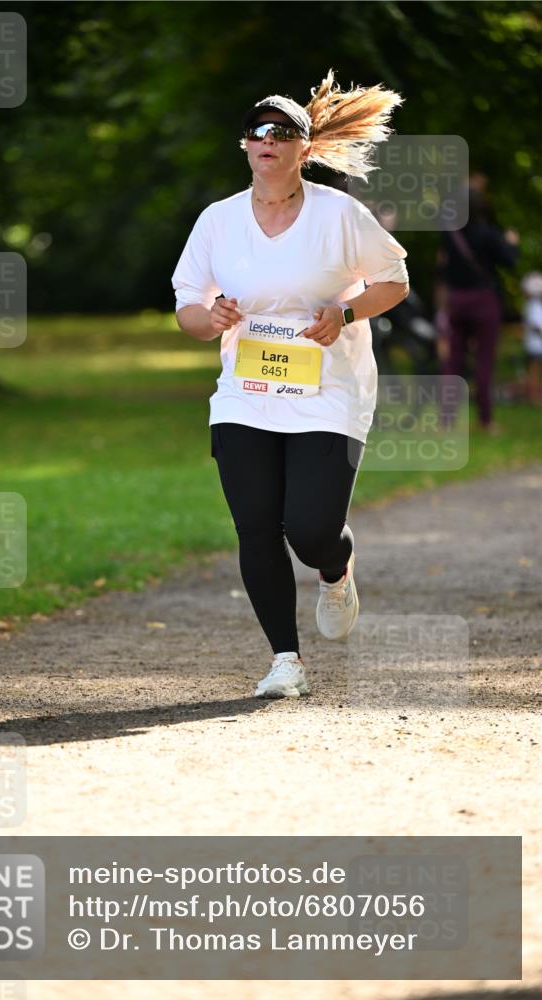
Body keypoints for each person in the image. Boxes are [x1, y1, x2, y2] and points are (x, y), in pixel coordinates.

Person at [171, 70, 409, 699]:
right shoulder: (218, 222)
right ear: (245, 146)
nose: (267, 140)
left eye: (281, 132)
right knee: (255, 524)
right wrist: (211, 317)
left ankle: (336, 569)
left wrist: (347, 312)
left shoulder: (340, 215)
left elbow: (394, 281)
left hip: (329, 391)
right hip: (245, 391)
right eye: (257, 132)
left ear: (305, 148)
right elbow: (188, 308)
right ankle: (286, 661)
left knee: (309, 528)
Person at [436, 187, 519, 434]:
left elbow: (443, 269)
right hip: (484, 300)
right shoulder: (489, 234)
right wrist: (513, 244)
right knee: (484, 361)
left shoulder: (450, 235)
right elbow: (510, 261)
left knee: (453, 362)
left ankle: (447, 421)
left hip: (457, 301)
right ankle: (485, 420)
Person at [521, 271, 542, 406]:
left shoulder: (533, 304)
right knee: (533, 371)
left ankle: (533, 394)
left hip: (535, 344)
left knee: (534, 370)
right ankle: (532, 396)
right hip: (535, 344)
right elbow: (535, 325)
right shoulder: (533, 305)